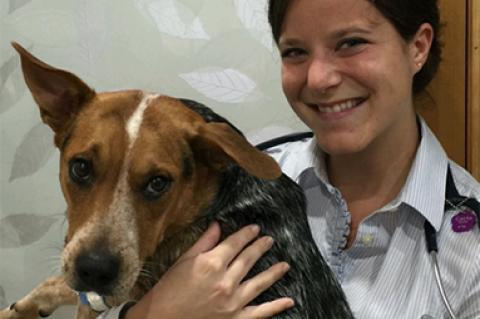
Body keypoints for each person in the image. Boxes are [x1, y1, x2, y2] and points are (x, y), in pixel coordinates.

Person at [101, 0, 480, 318]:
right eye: (295, 52)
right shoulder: (234, 180)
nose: (317, 79)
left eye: (350, 42)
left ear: (418, 47)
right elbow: (102, 292)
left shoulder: (470, 250)